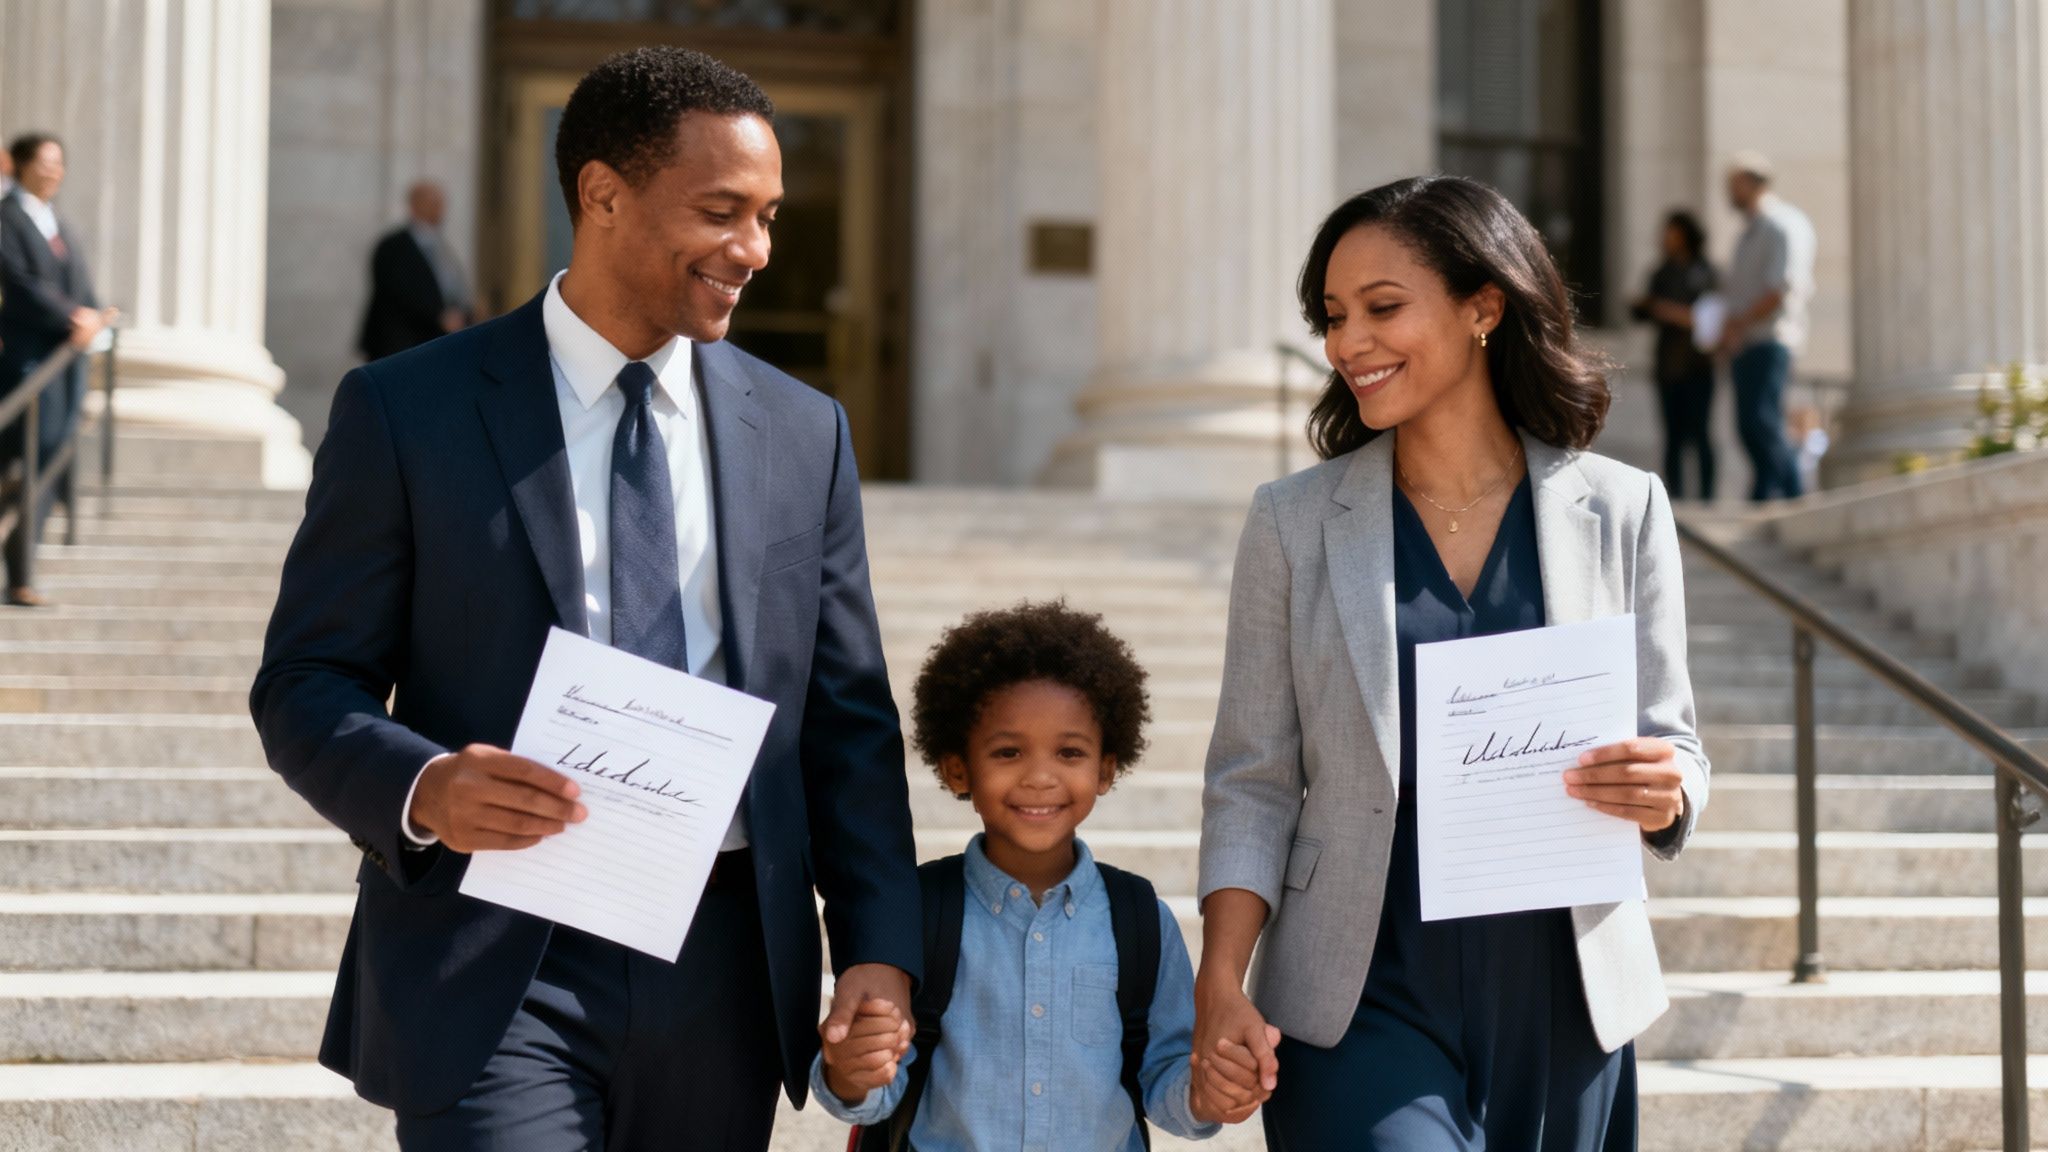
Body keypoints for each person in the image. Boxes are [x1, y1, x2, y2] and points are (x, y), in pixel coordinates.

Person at [250, 47, 920, 1150]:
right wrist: (424, 784)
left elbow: (847, 723)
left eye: (768, 216)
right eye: (721, 212)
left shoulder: (805, 433)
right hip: (492, 948)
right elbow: (306, 682)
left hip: (723, 961)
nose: (753, 251)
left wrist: (878, 952)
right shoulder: (405, 409)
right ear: (601, 194)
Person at [1190, 176, 1709, 1150]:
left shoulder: (1622, 506)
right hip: (1359, 994)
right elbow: (1249, 780)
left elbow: (1672, 740)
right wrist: (1219, 979)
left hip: (1566, 995)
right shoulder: (1291, 524)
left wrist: (1665, 786)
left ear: (1483, 307)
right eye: (1333, 317)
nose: (1348, 343)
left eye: (1382, 309)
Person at [815, 601, 1226, 1149]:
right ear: (958, 768)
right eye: (1008, 751)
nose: (1039, 777)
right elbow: (875, 1088)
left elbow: (1167, 1081)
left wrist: (1207, 1093)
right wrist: (850, 1071)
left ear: (1106, 769)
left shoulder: (1140, 920)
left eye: (1069, 752)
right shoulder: (915, 912)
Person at [0, 132, 111, 608]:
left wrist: (96, 315)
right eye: (43, 162)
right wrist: (74, 316)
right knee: (38, 450)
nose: (52, 171)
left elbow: (82, 285)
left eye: (58, 163)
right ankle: (19, 562)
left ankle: (24, 562)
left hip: (67, 360)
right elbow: (19, 282)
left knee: (55, 453)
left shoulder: (60, 224)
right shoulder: (8, 218)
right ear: (20, 165)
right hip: (30, 359)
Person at [1720, 151, 1815, 501]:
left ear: (1751, 183)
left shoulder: (1782, 225)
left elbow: (1781, 288)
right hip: (1747, 342)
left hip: (1771, 340)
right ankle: (1764, 491)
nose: (1729, 193)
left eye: (1734, 185)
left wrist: (1740, 322)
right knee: (1749, 426)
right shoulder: (1748, 233)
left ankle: (1792, 492)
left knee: (1763, 420)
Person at [1630, 209, 1718, 501]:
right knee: (1672, 436)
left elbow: (1710, 317)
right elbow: (1644, 312)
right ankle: (1675, 495)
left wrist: (1670, 312)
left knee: (1701, 434)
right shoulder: (1661, 273)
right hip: (1668, 366)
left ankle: (1707, 496)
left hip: (1698, 365)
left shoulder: (1705, 272)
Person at [357, 180, 474, 361]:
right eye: (432, 202)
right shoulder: (393, 246)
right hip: (400, 346)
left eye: (441, 202)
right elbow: (397, 291)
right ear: (414, 205)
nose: (439, 207)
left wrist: (466, 312)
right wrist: (438, 316)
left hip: (435, 343)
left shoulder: (442, 246)